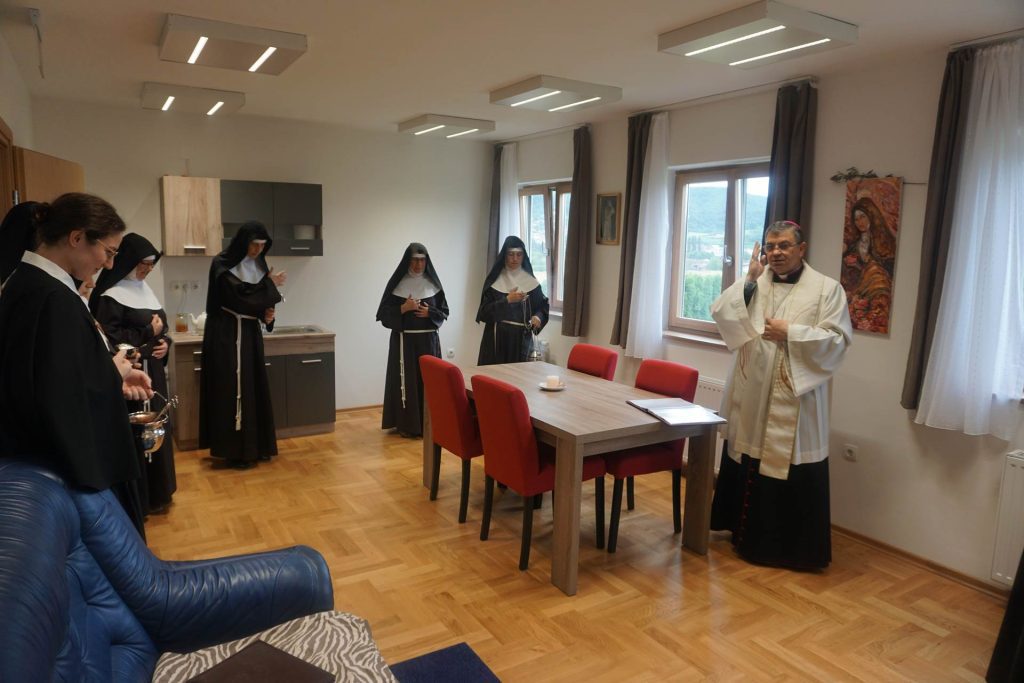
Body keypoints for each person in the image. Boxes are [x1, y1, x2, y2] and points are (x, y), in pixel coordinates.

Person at [0, 194, 153, 538]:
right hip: (63, 466)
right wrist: (113, 372)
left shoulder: (28, 283)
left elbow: (55, 370)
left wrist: (114, 373)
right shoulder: (53, 298)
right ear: (77, 237)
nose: (109, 265)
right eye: (108, 252)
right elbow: (59, 394)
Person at [709, 220, 852, 570]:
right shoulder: (757, 281)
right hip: (752, 392)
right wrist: (748, 281)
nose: (776, 252)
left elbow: (837, 340)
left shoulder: (827, 290)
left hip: (795, 396)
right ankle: (741, 535)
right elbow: (721, 312)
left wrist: (792, 332)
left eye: (784, 245)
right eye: (771, 246)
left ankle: (787, 549)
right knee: (748, 454)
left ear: (801, 249)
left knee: (787, 462)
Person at [91, 233, 176, 514]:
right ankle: (140, 498)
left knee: (158, 428)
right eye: (143, 264)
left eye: (151, 265)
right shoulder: (110, 297)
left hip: (154, 373)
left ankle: (160, 492)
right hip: (131, 377)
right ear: (128, 261)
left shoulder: (145, 291)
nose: (147, 270)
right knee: (136, 434)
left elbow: (162, 330)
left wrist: (165, 343)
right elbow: (111, 339)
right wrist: (148, 333)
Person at [199, 221, 286, 469]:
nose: (258, 250)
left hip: (249, 333)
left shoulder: (260, 265)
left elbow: (258, 302)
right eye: (254, 244)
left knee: (253, 388)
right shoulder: (221, 264)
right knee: (231, 389)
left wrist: (267, 316)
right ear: (242, 243)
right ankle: (235, 451)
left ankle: (257, 447)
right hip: (227, 335)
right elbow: (239, 297)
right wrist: (269, 285)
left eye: (262, 246)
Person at [376, 243, 449, 437]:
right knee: (406, 383)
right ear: (408, 261)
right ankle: (407, 426)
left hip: (429, 343)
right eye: (415, 260)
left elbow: (444, 312)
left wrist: (430, 312)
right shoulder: (397, 285)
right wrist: (403, 308)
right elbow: (383, 316)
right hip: (404, 343)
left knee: (428, 382)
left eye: (422, 260)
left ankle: (430, 425)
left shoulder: (434, 285)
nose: (418, 265)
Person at [476, 235, 549, 365]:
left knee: (518, 376)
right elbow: (484, 313)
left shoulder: (531, 282)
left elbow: (542, 307)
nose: (515, 259)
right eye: (511, 254)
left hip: (521, 341)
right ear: (504, 255)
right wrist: (507, 300)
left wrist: (538, 317)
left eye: (519, 255)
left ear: (523, 256)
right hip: (496, 340)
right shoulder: (494, 281)